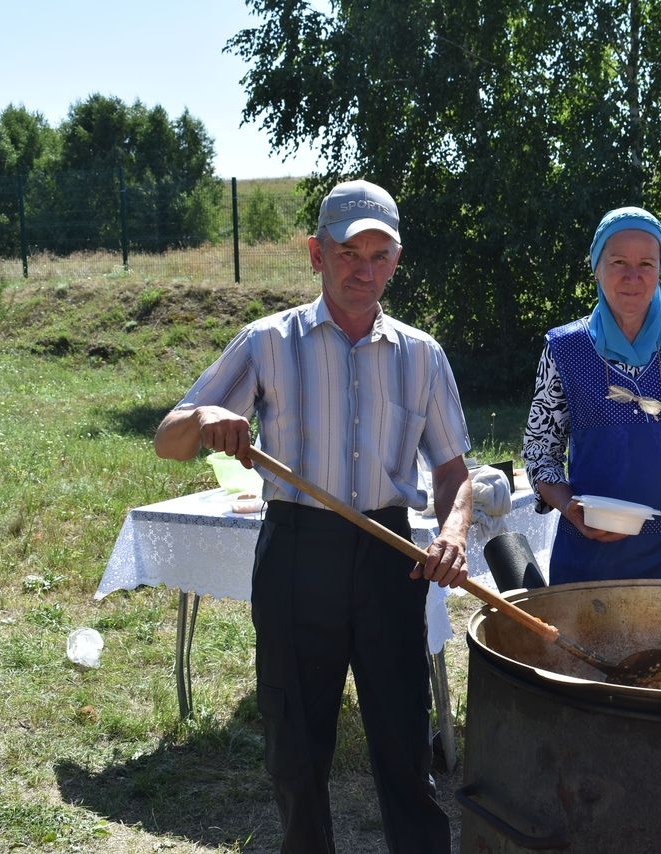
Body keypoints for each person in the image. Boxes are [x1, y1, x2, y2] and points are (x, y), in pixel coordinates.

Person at [153, 179, 472, 854]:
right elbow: (169, 438)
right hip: (297, 553)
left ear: (396, 260)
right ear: (315, 253)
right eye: (347, 250)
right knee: (296, 750)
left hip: (391, 558)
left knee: (403, 743)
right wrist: (207, 417)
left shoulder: (421, 353)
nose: (363, 268)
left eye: (378, 253)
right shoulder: (267, 342)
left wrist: (450, 532)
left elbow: (451, 470)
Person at [522, 206, 661, 584]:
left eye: (646, 263)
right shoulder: (565, 349)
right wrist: (568, 506)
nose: (632, 276)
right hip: (594, 561)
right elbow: (540, 454)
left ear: (660, 269)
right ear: (596, 267)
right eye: (618, 262)